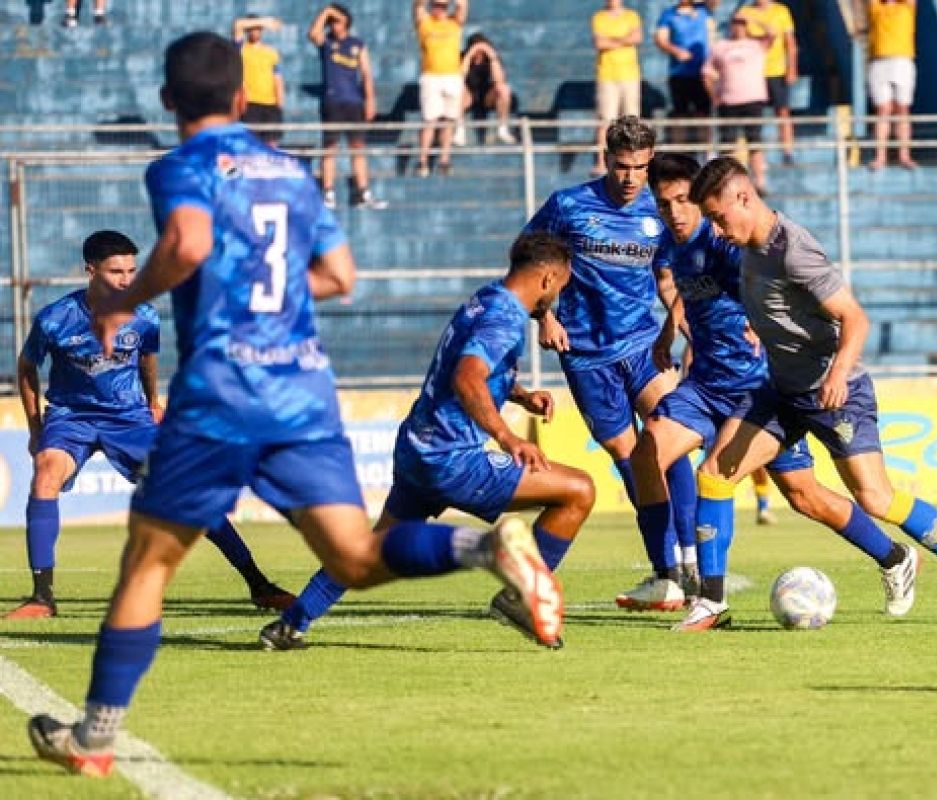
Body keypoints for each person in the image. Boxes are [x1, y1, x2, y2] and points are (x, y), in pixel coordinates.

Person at [26, 32, 562, 779]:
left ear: (168, 100)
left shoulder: (180, 164)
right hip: (302, 391)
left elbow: (185, 242)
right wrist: (262, 298)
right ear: (243, 99)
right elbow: (339, 274)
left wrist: (127, 302)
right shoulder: (292, 169)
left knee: (146, 566)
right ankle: (487, 548)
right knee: (352, 554)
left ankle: (92, 736)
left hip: (220, 392)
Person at [686, 156, 937, 627]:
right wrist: (763, 326)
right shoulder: (749, 248)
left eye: (718, 217)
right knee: (715, 473)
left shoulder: (793, 249)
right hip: (781, 390)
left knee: (877, 499)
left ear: (744, 198)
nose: (715, 229)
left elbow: (855, 317)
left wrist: (837, 373)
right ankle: (712, 602)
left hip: (834, 391)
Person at [259, 232, 592, 651]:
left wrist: (520, 395)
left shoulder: (485, 299)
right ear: (547, 278)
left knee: (368, 548)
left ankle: (291, 623)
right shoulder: (504, 319)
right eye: (560, 285)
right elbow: (467, 377)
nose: (556, 296)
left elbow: (472, 370)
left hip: (418, 448)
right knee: (579, 491)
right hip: (453, 460)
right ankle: (519, 597)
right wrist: (508, 438)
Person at [628, 153, 920, 630]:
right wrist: (670, 331)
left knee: (805, 496)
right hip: (705, 386)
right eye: (664, 204)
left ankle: (892, 557)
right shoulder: (671, 247)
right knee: (648, 454)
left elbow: (771, 290)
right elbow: (687, 291)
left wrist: (761, 329)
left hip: (756, 386)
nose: (676, 212)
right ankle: (673, 573)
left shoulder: (727, 242)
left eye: (684, 201)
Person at [6, 229, 293, 620]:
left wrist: (153, 402)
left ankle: (259, 585)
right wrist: (37, 427)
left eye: (131, 270)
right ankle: (42, 597)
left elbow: (147, 359)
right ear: (90, 270)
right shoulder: (55, 318)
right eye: (116, 271)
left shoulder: (143, 315)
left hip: (128, 418)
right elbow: (26, 368)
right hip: (71, 417)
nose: (127, 279)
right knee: (45, 474)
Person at [523, 116, 698, 610]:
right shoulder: (569, 205)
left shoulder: (657, 208)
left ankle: (693, 562)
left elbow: (669, 277)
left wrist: (680, 323)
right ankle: (665, 574)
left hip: (645, 345)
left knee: (670, 442)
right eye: (622, 167)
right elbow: (529, 259)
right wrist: (544, 315)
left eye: (641, 167)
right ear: (606, 160)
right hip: (586, 354)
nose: (630, 178)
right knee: (629, 461)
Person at [308, 4, 388, 209]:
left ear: (347, 22)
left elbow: (366, 74)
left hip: (354, 102)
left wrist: (370, 100)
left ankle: (363, 192)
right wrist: (326, 12)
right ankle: (328, 192)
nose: (335, 25)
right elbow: (313, 33)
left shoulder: (357, 44)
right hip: (332, 102)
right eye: (332, 22)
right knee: (330, 148)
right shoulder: (326, 43)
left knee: (358, 148)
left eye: (338, 20)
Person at [703, 12, 773, 194]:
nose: (738, 26)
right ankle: (728, 181)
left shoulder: (756, 44)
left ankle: (760, 181)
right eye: (735, 23)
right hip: (729, 101)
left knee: (755, 141)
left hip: (753, 99)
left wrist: (754, 19)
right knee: (728, 143)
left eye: (742, 23)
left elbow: (772, 33)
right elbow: (707, 72)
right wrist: (714, 94)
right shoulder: (720, 46)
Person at [857, 0, 918, 170]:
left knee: (902, 109)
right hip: (879, 61)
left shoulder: (906, 7)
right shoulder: (876, 7)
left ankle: (905, 156)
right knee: (883, 110)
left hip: (902, 61)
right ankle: (880, 157)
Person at [739, 0, 799, 166]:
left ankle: (788, 151)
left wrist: (792, 67)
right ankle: (756, 157)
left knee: (782, 111)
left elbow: (789, 42)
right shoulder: (745, 11)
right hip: (752, 72)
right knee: (753, 116)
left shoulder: (781, 11)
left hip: (776, 70)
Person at [414, 0, 469, 177]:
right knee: (430, 119)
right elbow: (417, 6)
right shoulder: (426, 23)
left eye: (443, 6)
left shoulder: (454, 23)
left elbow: (463, 5)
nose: (439, 9)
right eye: (436, 5)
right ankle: (422, 160)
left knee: (448, 120)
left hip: (452, 76)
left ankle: (444, 159)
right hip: (431, 76)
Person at [654, 0, 716, 149]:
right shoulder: (668, 15)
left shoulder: (704, 10)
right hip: (679, 73)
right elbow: (660, 39)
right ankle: (679, 152)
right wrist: (676, 51)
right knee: (680, 114)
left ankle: (705, 152)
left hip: (703, 74)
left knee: (703, 113)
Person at [591, 0, 643, 176]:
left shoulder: (631, 16)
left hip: (630, 75)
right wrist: (624, 39)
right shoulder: (599, 17)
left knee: (632, 121)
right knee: (606, 120)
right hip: (607, 75)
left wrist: (611, 40)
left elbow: (636, 37)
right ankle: (601, 162)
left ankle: (635, 158)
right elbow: (600, 43)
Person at [454, 32, 516, 147]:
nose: (478, 55)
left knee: (503, 89)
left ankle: (502, 129)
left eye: (481, 52)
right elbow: (458, 78)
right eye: (476, 51)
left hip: (488, 97)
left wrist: (492, 56)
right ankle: (459, 131)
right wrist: (468, 56)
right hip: (468, 97)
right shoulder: (463, 57)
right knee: (457, 88)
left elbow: (500, 80)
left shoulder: (492, 59)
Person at [232, 14, 285, 146]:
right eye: (252, 28)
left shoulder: (271, 52)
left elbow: (277, 79)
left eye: (258, 28)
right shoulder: (241, 49)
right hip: (250, 104)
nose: (255, 31)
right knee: (250, 144)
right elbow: (237, 25)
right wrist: (266, 21)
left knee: (271, 145)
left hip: (270, 105)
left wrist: (279, 104)